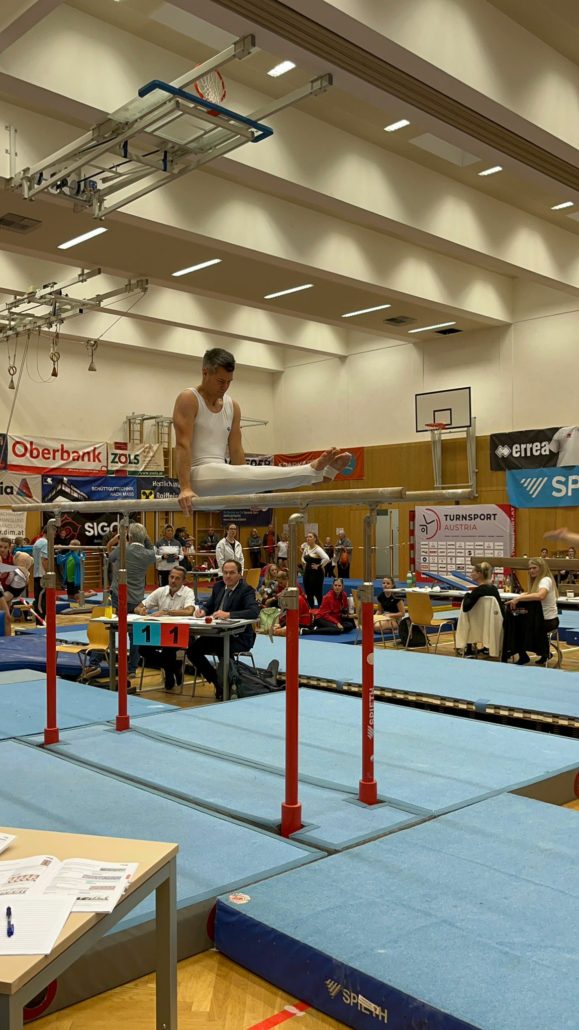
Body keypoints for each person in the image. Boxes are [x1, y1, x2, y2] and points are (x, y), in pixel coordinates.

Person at [173, 347, 351, 512]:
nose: (225, 387)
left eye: (229, 382)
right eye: (220, 381)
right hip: (198, 480)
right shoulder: (189, 399)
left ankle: (319, 475)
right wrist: (185, 488)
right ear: (205, 373)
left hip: (223, 483)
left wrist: (248, 490)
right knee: (226, 473)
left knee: (246, 478)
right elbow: (182, 444)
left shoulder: (232, 406)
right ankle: (313, 473)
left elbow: (236, 452)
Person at [89, 523, 156, 681]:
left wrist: (114, 542)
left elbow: (109, 557)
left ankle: (94, 662)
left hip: (118, 596)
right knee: (135, 635)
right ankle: (132, 669)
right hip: (137, 598)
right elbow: (151, 548)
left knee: (107, 627)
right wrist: (145, 537)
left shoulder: (123, 549)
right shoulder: (149, 554)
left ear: (129, 536)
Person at [188, 559, 259, 700]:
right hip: (216, 634)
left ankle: (230, 685)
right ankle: (217, 682)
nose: (228, 576)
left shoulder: (246, 590)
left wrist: (229, 614)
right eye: (225, 573)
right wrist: (203, 611)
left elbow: (253, 612)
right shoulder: (218, 586)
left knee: (222, 649)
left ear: (240, 574)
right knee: (192, 651)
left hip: (239, 637)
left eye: (232, 573)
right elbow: (209, 605)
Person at [134, 566, 196, 690]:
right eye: (171, 577)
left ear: (183, 581)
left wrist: (167, 612)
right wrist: (141, 610)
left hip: (183, 634)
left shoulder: (188, 592)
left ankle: (169, 675)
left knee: (168, 649)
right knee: (143, 649)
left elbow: (189, 611)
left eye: (177, 578)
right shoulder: (161, 591)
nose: (173, 581)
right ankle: (174, 667)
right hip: (162, 633)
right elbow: (138, 607)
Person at [506, 557, 558, 666]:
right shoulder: (539, 581)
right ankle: (543, 652)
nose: (531, 571)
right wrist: (523, 595)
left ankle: (527, 654)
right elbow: (534, 593)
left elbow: (541, 595)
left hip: (548, 621)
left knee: (516, 626)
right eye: (530, 568)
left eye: (534, 568)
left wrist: (519, 598)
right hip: (542, 619)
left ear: (542, 568)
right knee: (518, 621)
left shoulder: (545, 580)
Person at [300, 532, 330, 607]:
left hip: (316, 573)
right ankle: (311, 609)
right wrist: (304, 563)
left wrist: (319, 566)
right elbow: (303, 557)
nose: (308, 538)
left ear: (315, 539)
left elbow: (327, 558)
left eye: (310, 537)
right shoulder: (306, 547)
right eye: (307, 537)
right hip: (307, 572)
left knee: (317, 593)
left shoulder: (318, 549)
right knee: (308, 592)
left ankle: (321, 609)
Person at [32, 526, 48, 619]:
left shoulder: (38, 541)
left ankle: (39, 621)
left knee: (38, 599)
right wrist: (49, 573)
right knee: (41, 600)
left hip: (37, 574)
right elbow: (44, 560)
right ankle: (41, 621)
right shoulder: (46, 543)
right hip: (42, 575)